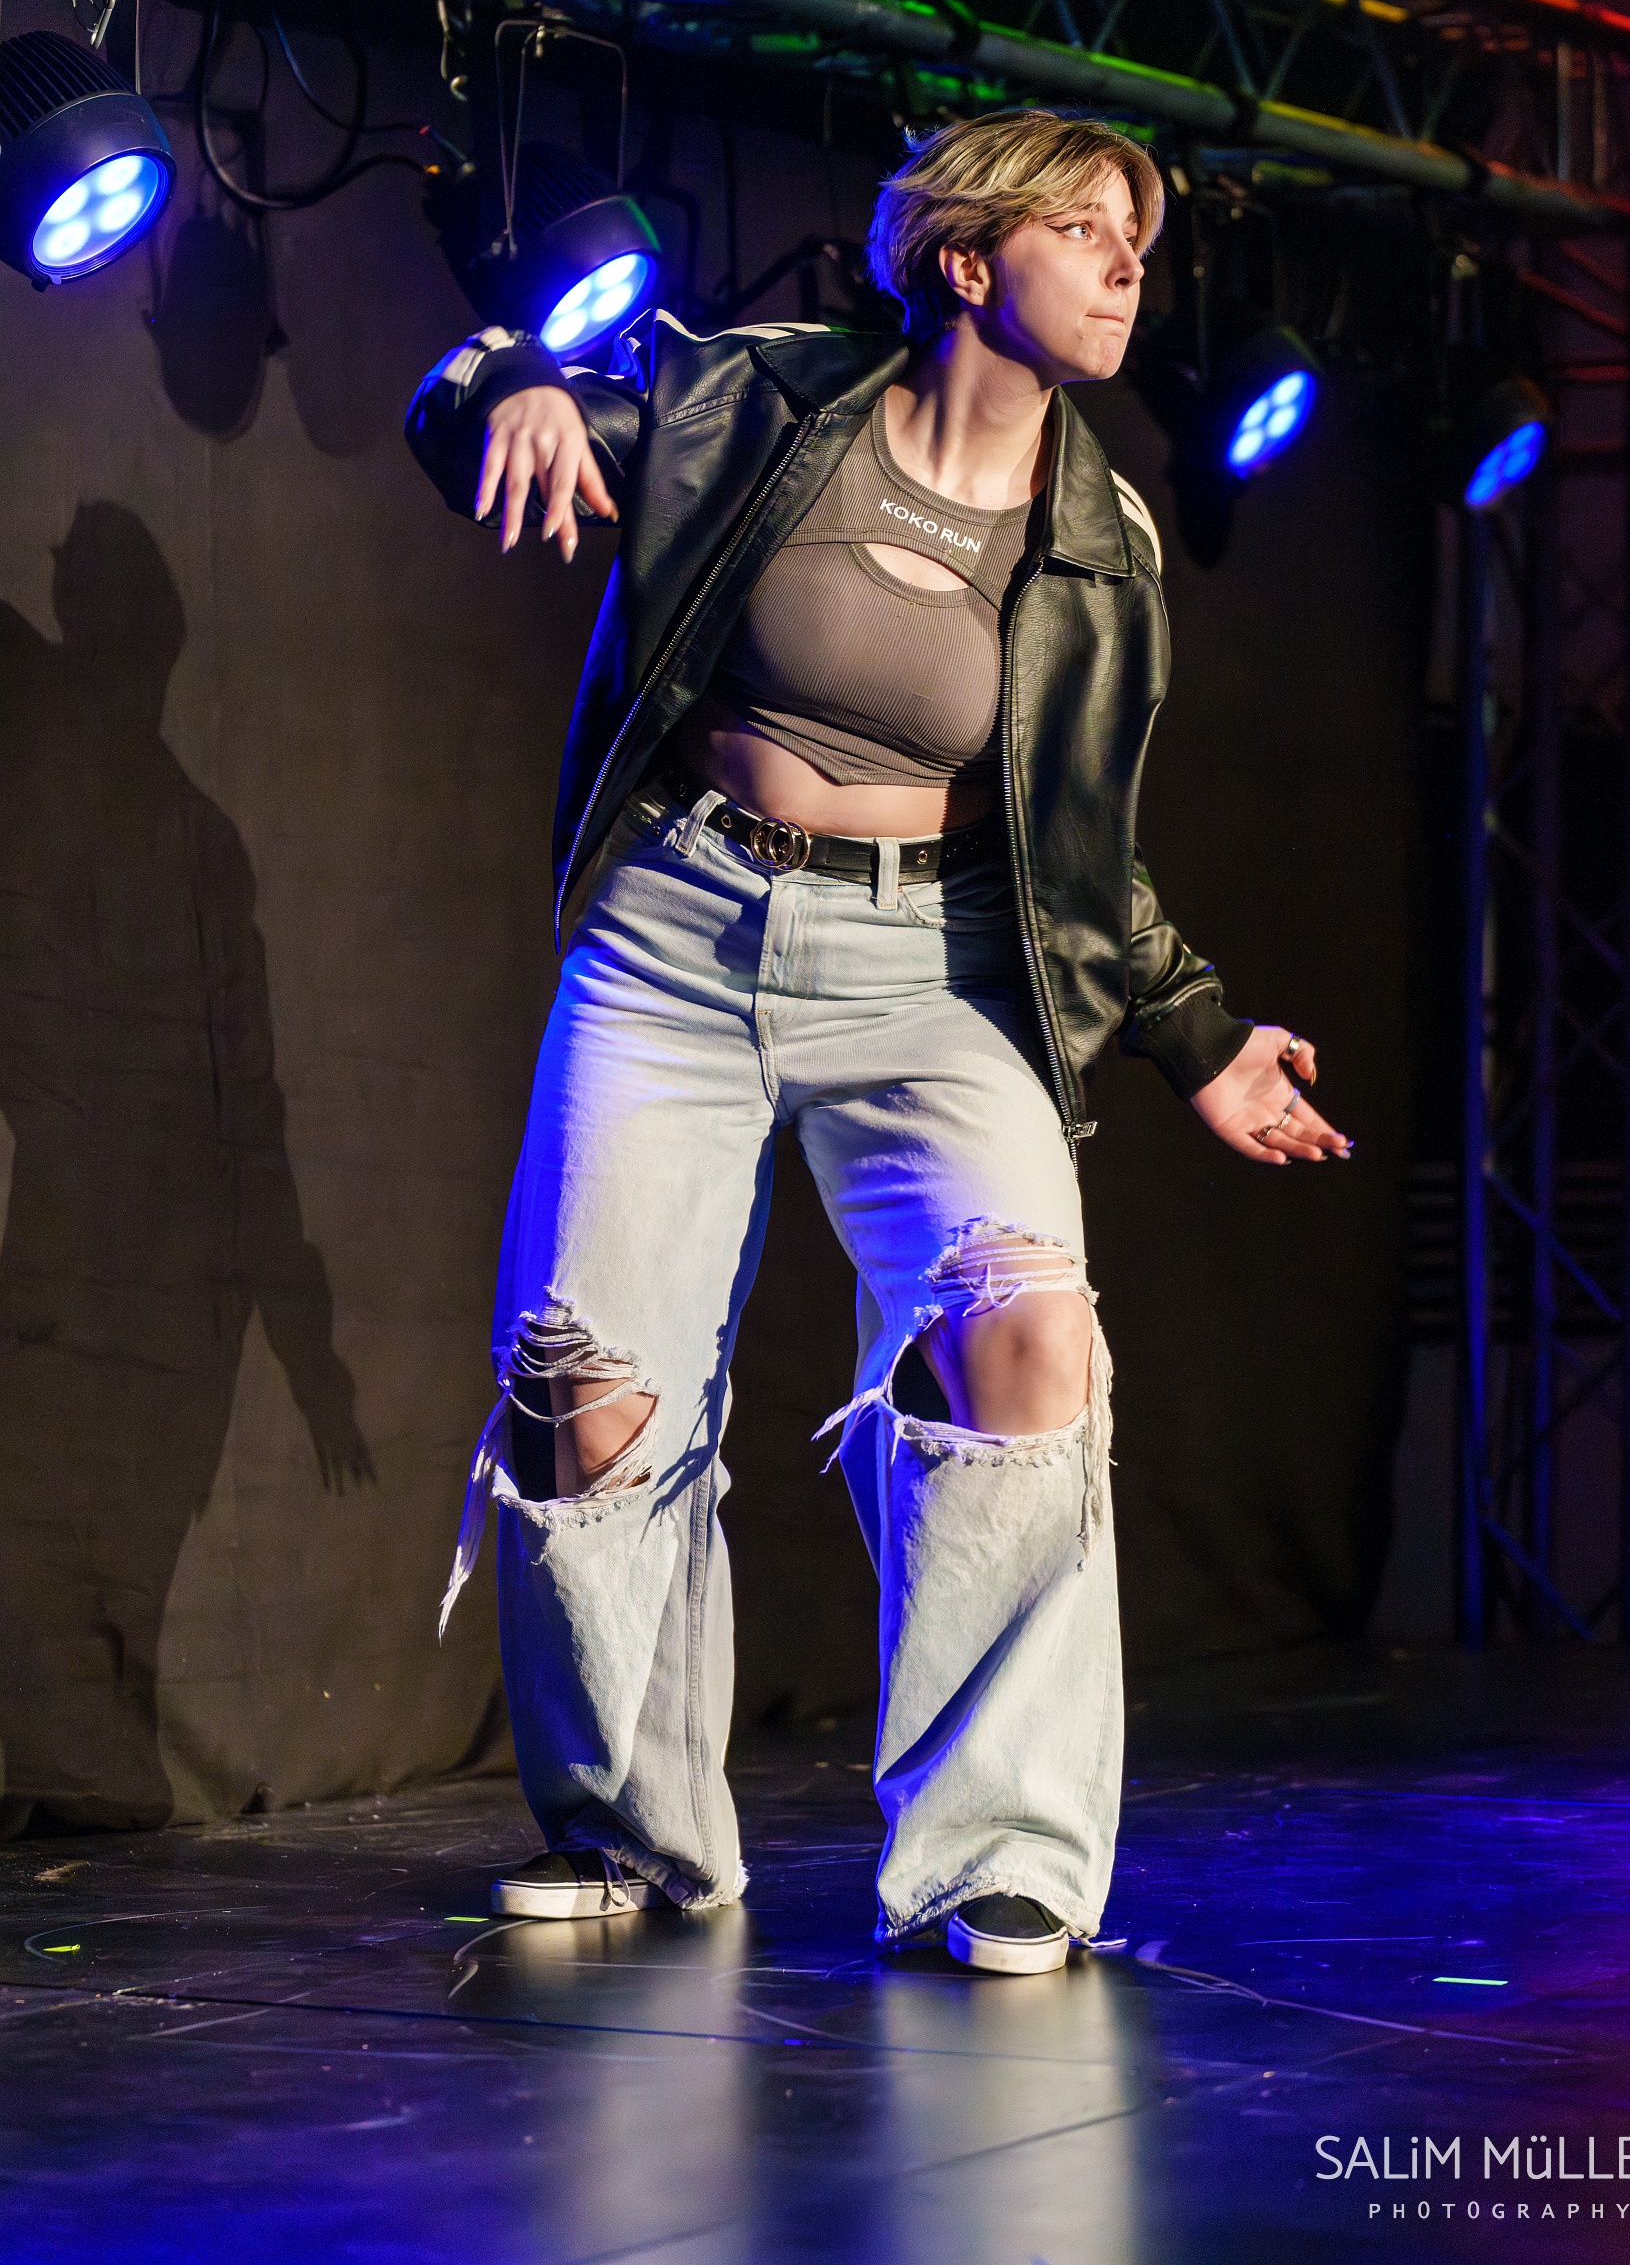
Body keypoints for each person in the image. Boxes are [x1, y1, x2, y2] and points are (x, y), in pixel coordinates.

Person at [408, 109, 1349, 1978]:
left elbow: (1078, 846)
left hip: (936, 967)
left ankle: (1000, 1855)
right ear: (969, 260)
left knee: (1028, 1350)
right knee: (583, 1391)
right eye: (1085, 229)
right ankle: (630, 1834)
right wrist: (504, 382)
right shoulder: (757, 399)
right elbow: (484, 403)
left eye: (1139, 239)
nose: (1129, 265)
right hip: (676, 935)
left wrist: (1199, 1034)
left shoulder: (1103, 542)